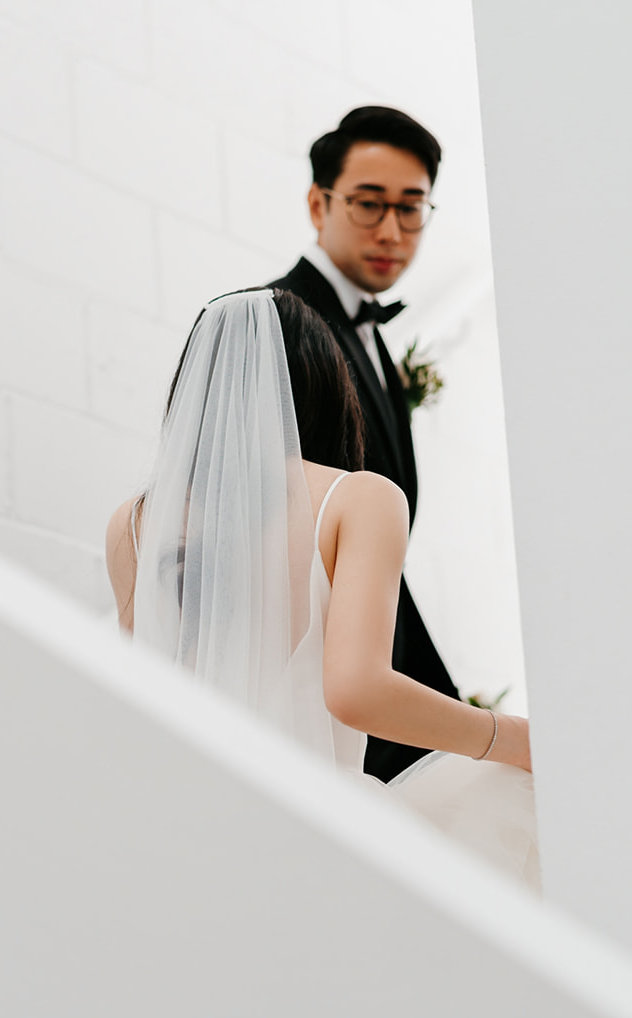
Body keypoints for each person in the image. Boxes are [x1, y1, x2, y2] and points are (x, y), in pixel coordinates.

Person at [106, 289, 538, 889]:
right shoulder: (359, 497)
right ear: (326, 385)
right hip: (314, 830)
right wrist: (508, 737)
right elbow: (357, 690)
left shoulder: (135, 522)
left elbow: (136, 694)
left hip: (183, 823)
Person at [268, 106, 453, 783]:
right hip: (321, 698)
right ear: (319, 204)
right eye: (369, 204)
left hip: (376, 668)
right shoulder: (277, 325)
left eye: (411, 208)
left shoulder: (372, 340)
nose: (391, 231)